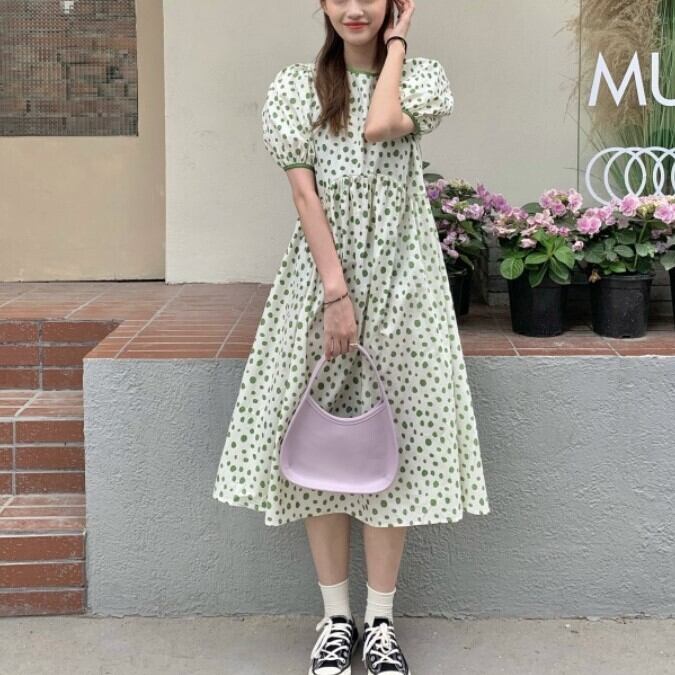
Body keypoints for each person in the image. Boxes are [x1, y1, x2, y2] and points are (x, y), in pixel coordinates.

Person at [212, 0, 491, 672]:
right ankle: (336, 619)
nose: (354, 8)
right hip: (321, 283)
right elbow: (304, 196)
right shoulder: (296, 87)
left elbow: (379, 124)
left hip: (404, 285)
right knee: (320, 447)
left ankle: (381, 622)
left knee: (392, 451)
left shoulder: (419, 78)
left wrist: (396, 45)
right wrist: (336, 294)